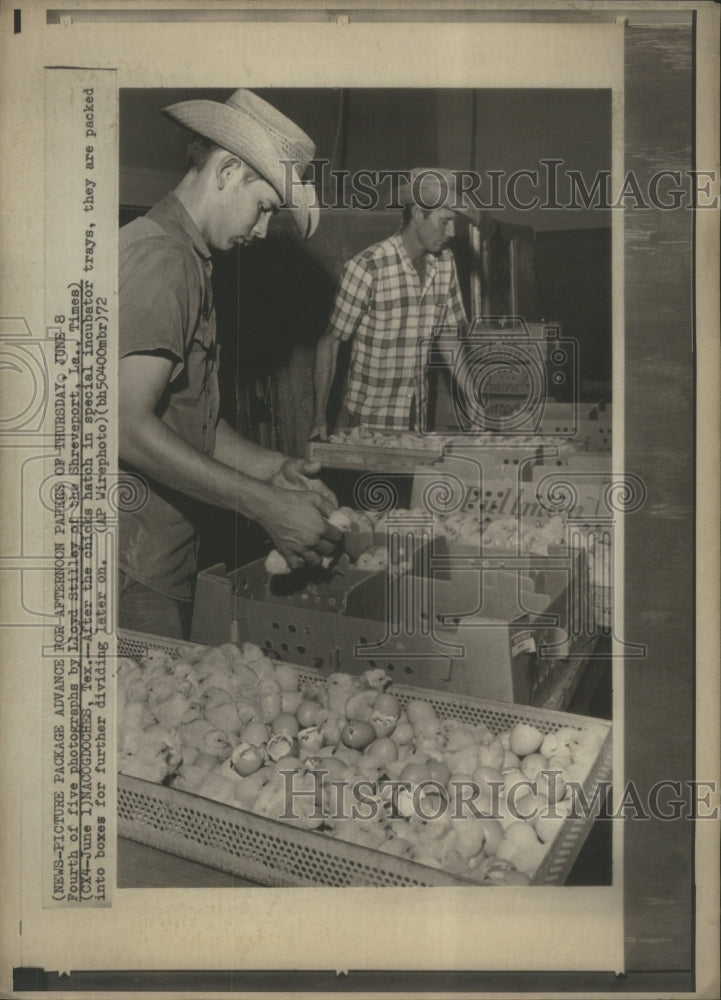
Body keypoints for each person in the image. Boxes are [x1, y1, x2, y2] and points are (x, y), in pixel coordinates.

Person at [118, 89, 341, 639]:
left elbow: (186, 418)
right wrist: (266, 506)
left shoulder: (188, 257)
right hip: (129, 568)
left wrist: (270, 468)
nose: (262, 230)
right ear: (227, 170)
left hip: (153, 559)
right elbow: (122, 425)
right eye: (263, 206)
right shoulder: (164, 260)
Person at [309, 167, 481, 439]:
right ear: (416, 214)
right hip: (368, 421)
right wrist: (319, 416)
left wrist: (471, 395)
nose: (449, 232)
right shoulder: (368, 268)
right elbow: (330, 342)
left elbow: (449, 336)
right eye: (444, 221)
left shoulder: (445, 263)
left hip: (418, 416)